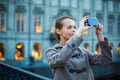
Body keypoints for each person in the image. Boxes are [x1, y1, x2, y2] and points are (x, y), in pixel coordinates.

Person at [46, 16, 112, 80]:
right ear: (58, 31)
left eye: (75, 27)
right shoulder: (51, 52)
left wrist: (99, 35)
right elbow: (61, 60)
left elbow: (106, 59)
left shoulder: (83, 52)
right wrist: (79, 32)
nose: (74, 30)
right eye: (69, 27)